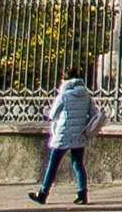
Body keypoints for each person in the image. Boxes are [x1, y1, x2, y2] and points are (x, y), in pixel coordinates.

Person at [31, 71, 99, 204]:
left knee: (53, 164)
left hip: (63, 134)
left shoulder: (64, 95)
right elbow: (93, 114)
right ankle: (83, 194)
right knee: (78, 164)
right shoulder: (86, 95)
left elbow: (53, 115)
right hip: (79, 134)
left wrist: (47, 113)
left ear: (66, 80)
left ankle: (43, 194)